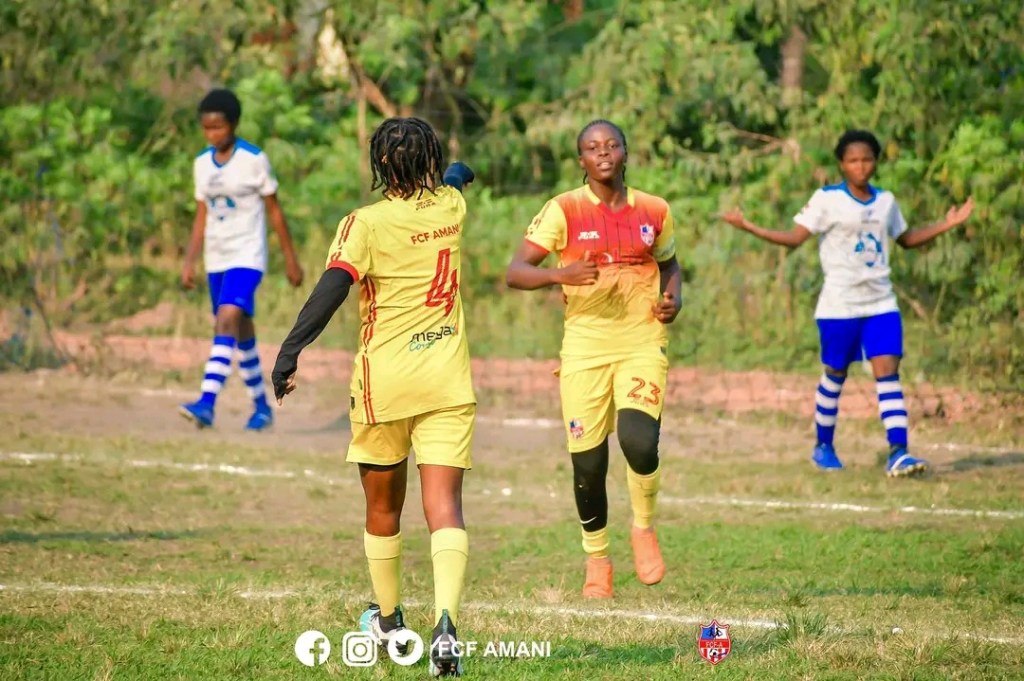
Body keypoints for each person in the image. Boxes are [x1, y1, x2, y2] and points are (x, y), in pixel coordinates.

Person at [271, 117, 476, 678]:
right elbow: (455, 180)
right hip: (447, 381)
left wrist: (290, 350)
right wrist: (459, 172)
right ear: (430, 161)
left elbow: (331, 288)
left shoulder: (364, 223)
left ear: (381, 164)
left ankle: (388, 620)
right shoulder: (451, 208)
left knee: (384, 509)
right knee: (445, 507)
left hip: (385, 385)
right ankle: (446, 625)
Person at [722, 129, 974, 477]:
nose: (861, 166)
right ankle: (823, 446)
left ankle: (898, 452)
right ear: (841, 164)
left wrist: (947, 224)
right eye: (853, 160)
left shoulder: (886, 201)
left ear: (876, 162)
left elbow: (906, 239)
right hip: (839, 306)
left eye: (867, 159)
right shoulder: (826, 199)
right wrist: (749, 226)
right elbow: (794, 239)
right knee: (835, 374)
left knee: (888, 372)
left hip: (881, 303)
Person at [505, 120, 682, 599]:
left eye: (611, 145)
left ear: (625, 152)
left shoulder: (655, 209)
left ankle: (643, 528)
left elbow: (669, 264)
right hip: (584, 348)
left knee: (639, 441)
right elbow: (516, 272)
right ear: (581, 160)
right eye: (592, 147)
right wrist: (559, 275)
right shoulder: (563, 209)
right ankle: (598, 559)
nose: (603, 153)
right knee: (588, 464)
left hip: (641, 340)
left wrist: (674, 298)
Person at [179, 88, 304, 431]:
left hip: (247, 255)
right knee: (241, 330)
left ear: (233, 125)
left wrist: (291, 259)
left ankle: (206, 403)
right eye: (206, 128)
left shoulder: (253, 159)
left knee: (226, 318)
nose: (212, 134)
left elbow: (274, 211)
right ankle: (262, 408)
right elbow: (201, 215)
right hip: (216, 257)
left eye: (218, 127)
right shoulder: (201, 164)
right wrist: (189, 260)